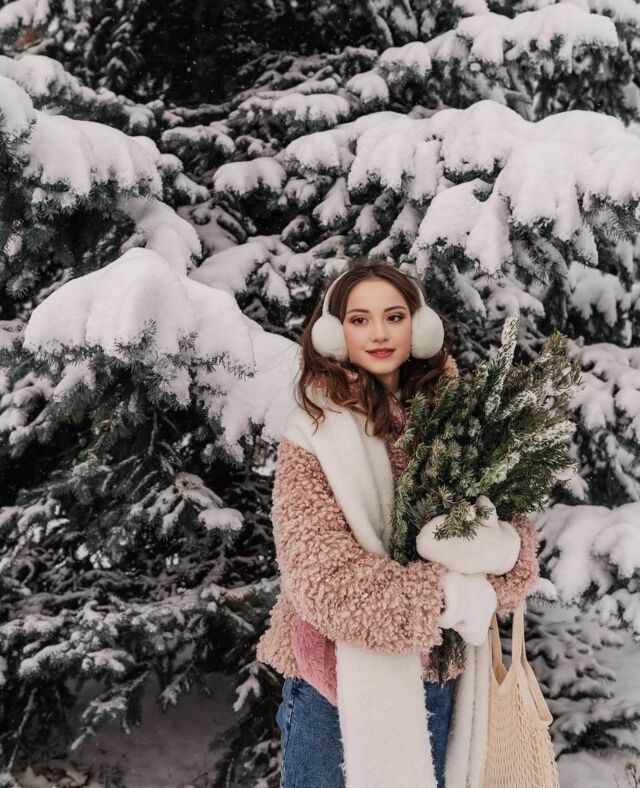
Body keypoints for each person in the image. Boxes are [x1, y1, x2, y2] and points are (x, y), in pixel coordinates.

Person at [256, 262, 541, 788]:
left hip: (439, 676)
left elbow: (517, 542)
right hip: (334, 686)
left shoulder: (462, 421)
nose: (380, 334)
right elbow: (323, 580)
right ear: (334, 333)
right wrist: (450, 595)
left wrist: (496, 556)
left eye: (394, 316)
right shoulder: (313, 434)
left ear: (420, 326)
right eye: (359, 319)